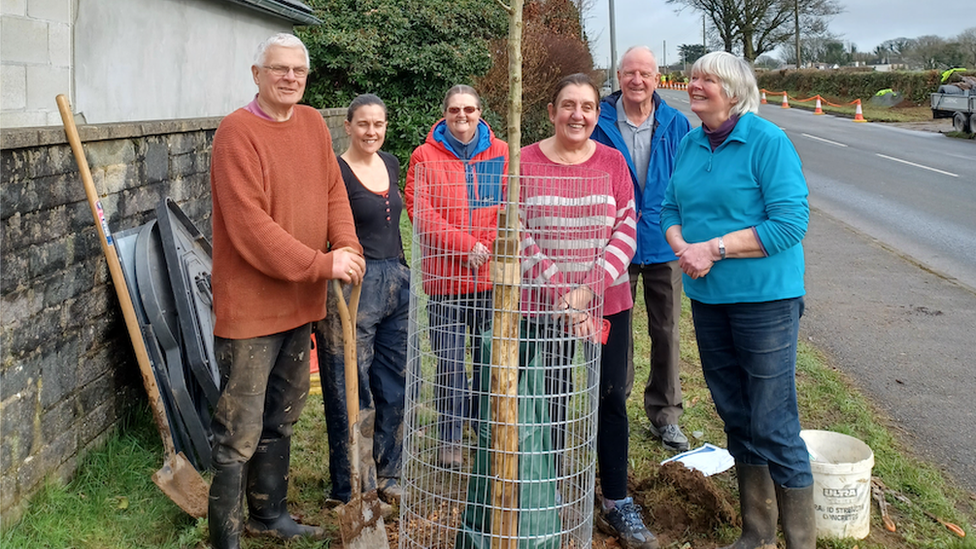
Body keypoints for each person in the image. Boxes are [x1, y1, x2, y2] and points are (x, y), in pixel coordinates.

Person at [208, 33, 365, 549]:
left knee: (283, 414)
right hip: (251, 311)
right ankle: (225, 537)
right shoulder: (236, 134)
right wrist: (321, 262)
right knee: (239, 429)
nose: (290, 78)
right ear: (257, 74)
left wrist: (346, 244)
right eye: (279, 69)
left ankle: (268, 515)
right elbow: (252, 229)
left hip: (301, 305)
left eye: (298, 70)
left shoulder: (314, 123)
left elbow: (332, 191)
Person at [660, 51, 814, 549]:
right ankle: (757, 532)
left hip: (764, 301)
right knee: (736, 413)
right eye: (694, 77)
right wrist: (683, 245)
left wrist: (716, 248)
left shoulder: (767, 141)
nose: (694, 84)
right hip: (709, 300)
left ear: (733, 90)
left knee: (772, 420)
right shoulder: (688, 143)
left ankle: (799, 540)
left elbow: (790, 223)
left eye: (707, 79)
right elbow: (668, 206)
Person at [520, 73, 657, 549]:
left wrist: (586, 294)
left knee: (611, 398)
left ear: (598, 114)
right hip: (543, 309)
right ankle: (552, 496)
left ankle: (616, 500)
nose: (577, 115)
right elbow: (517, 234)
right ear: (552, 111)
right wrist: (562, 296)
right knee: (551, 399)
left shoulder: (614, 163)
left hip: (608, 306)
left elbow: (626, 227)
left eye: (588, 107)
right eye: (568, 105)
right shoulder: (525, 162)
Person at [591, 46, 692, 452]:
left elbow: (687, 183)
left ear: (657, 78)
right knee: (616, 333)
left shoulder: (676, 123)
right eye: (630, 73)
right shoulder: (599, 121)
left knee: (666, 330)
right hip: (614, 243)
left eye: (645, 74)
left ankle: (666, 414)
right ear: (619, 76)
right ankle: (615, 407)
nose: (637, 80)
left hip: (663, 241)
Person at [404, 85, 508, 469]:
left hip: (486, 281)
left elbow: (505, 204)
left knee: (486, 361)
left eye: (468, 109)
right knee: (449, 363)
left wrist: (485, 244)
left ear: (480, 112)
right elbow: (420, 211)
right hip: (445, 282)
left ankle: (482, 432)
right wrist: (465, 245)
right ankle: (450, 436)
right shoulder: (424, 157)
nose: (461, 116)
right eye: (453, 110)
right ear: (444, 113)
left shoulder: (500, 153)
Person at [314, 94, 409, 506]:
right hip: (356, 285)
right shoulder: (335, 169)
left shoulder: (390, 163)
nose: (372, 132)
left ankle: (388, 473)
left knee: (393, 382)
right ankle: (352, 483)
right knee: (349, 385)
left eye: (379, 124)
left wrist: (402, 273)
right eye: (364, 124)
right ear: (348, 126)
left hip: (397, 280)